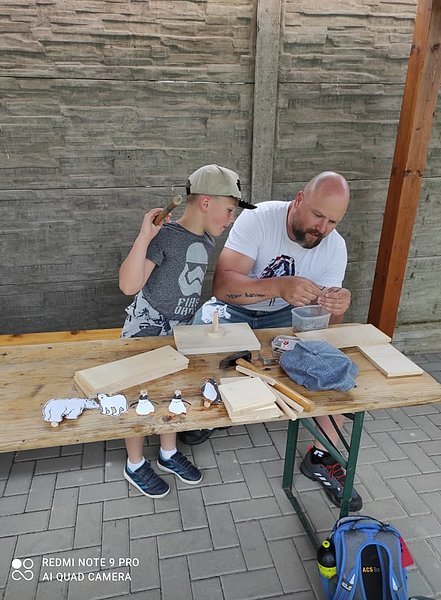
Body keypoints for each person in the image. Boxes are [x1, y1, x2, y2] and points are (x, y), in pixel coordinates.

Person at [179, 171, 362, 511]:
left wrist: (335, 307)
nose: (322, 228)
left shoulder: (334, 246)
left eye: (333, 222)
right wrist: (278, 287)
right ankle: (206, 410)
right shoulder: (261, 218)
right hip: (234, 309)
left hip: (285, 318)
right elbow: (222, 287)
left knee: (335, 365)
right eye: (318, 215)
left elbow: (324, 326)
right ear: (299, 199)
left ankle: (321, 457)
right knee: (196, 342)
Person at [119, 164, 256, 498]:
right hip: (145, 331)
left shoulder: (206, 239)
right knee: (137, 396)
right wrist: (144, 237)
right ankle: (135, 463)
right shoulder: (164, 236)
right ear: (206, 203)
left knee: (174, 391)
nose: (232, 219)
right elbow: (128, 285)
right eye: (229, 210)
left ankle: (168, 453)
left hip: (179, 332)